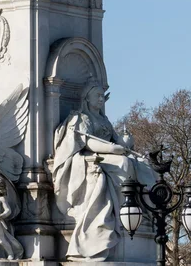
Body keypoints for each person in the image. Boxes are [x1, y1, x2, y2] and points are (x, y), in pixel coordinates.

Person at [53, 82, 155, 261]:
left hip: (108, 155)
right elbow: (88, 143)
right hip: (94, 156)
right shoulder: (81, 118)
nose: (101, 99)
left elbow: (117, 143)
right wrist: (115, 150)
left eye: (102, 96)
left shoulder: (104, 120)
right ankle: (126, 210)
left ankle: (149, 210)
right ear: (87, 98)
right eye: (97, 96)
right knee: (123, 163)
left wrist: (125, 143)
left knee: (144, 164)